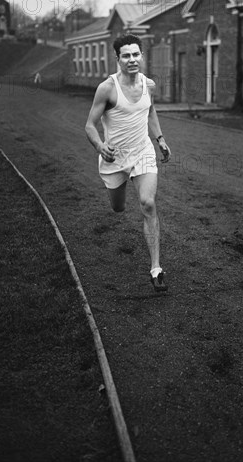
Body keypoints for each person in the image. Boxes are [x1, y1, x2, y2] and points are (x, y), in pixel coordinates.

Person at [85, 34, 171, 292]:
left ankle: (156, 268)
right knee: (118, 208)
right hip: (115, 159)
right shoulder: (107, 89)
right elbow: (89, 125)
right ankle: (115, 186)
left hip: (143, 152)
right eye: (126, 55)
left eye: (136, 54)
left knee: (148, 203)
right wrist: (101, 146)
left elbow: (151, 110)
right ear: (117, 59)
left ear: (141, 56)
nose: (132, 59)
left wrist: (160, 139)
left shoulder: (149, 85)